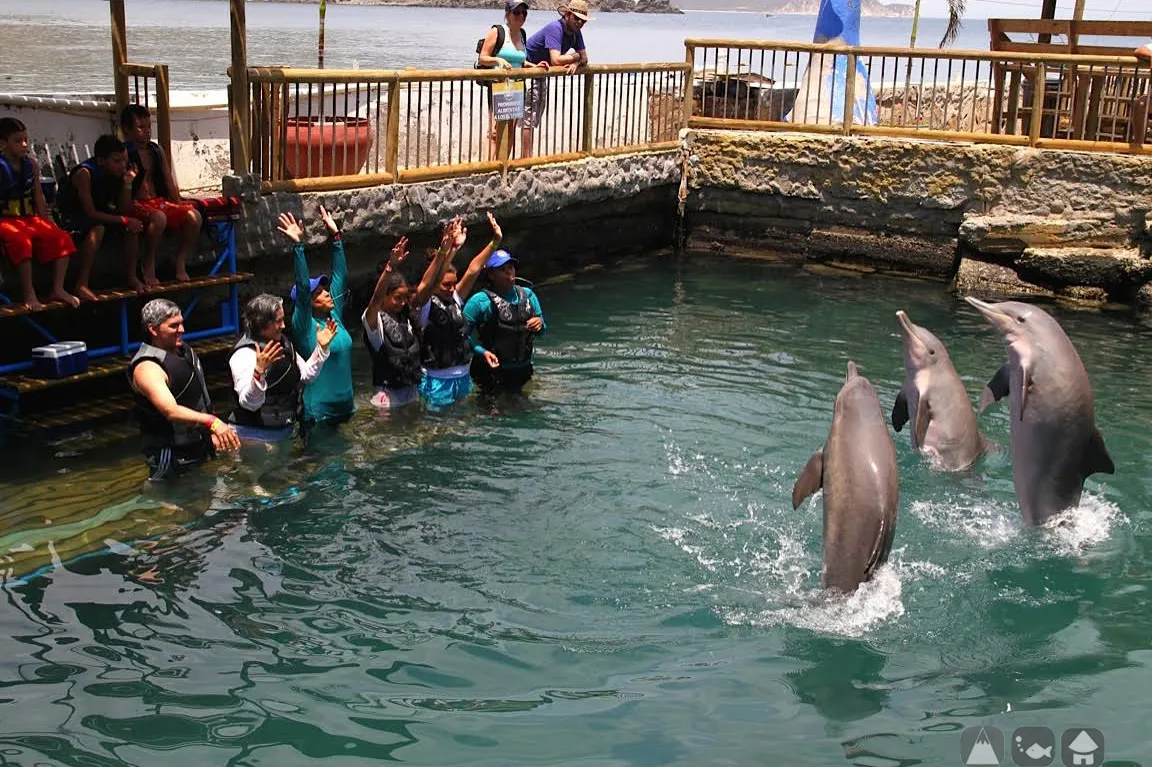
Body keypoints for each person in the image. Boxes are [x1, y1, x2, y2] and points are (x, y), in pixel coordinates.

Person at [129, 298, 241, 480]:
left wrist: (210, 434)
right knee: (170, 505)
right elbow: (170, 411)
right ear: (153, 329)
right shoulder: (147, 368)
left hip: (197, 443)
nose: (181, 330)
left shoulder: (182, 351)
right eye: (174, 326)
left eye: (181, 324)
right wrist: (213, 422)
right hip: (170, 453)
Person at [361, 219, 465, 410]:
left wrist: (446, 250)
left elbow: (428, 284)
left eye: (404, 298)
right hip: (387, 397)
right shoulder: (374, 322)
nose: (402, 303)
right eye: (397, 298)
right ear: (385, 296)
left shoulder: (408, 316)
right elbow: (376, 299)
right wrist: (389, 268)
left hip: (412, 392)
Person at [276, 206, 355, 429]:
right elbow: (302, 287)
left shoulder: (333, 316)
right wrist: (298, 246)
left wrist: (336, 235)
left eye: (324, 289)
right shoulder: (303, 325)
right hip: (319, 411)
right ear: (308, 302)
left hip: (346, 408)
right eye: (318, 292)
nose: (326, 292)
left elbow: (340, 274)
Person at [416, 212, 504, 408]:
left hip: (463, 378)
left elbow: (473, 269)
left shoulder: (454, 298)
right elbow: (427, 283)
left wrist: (495, 242)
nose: (452, 289)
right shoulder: (424, 303)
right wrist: (447, 250)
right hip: (436, 381)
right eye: (446, 285)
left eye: (454, 284)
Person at [228, 293, 338, 441]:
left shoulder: (283, 343)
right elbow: (249, 404)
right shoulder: (244, 354)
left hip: (285, 430)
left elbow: (305, 376)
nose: (284, 325)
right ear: (262, 324)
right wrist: (259, 373)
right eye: (278, 321)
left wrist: (321, 349)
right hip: (253, 435)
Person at [58, 134, 153, 299]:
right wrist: (123, 220)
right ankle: (82, 283)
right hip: (74, 217)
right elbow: (90, 212)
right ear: (101, 161)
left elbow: (124, 208)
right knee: (99, 229)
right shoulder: (84, 174)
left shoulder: (118, 173)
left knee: (133, 227)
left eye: (124, 160)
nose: (123, 165)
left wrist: (127, 183)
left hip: (102, 213)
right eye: (117, 161)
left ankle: (132, 276)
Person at [0, 117, 79, 311]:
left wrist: (48, 222)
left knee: (62, 238)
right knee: (22, 241)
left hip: (29, 218)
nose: (24, 145)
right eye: (18, 141)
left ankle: (58, 288)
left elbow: (39, 198)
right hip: (6, 220)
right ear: (2, 144)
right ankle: (29, 293)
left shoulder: (31, 166)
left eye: (25, 139)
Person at [120, 104, 203, 285]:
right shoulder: (124, 153)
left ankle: (179, 258)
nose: (147, 131)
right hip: (136, 203)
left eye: (149, 126)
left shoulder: (156, 150)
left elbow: (167, 179)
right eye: (141, 127)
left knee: (193, 215)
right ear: (127, 129)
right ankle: (148, 262)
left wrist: (178, 202)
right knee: (159, 218)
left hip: (157, 201)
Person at [463, 247, 546, 395]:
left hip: (523, 370)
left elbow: (543, 329)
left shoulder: (528, 295)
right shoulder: (478, 301)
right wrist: (482, 352)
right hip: (491, 372)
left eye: (511, 267)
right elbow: (461, 335)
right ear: (491, 275)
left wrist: (539, 324)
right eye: (502, 269)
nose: (509, 272)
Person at [477, 0, 549, 160]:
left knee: (510, 129)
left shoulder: (522, 34)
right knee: (496, 131)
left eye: (524, 13)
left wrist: (535, 65)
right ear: (507, 14)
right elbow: (483, 58)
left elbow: (520, 61)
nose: (521, 16)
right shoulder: (497, 31)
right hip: (498, 86)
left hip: (517, 87)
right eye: (517, 12)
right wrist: (497, 61)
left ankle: (503, 166)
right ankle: (491, 169)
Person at [522, 0, 591, 158]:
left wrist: (578, 62)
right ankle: (526, 159)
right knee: (529, 116)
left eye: (583, 20)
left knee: (534, 115)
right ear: (567, 15)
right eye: (576, 18)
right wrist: (575, 56)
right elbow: (556, 60)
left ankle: (528, 157)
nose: (580, 22)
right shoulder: (555, 28)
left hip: (540, 72)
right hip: (527, 71)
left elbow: (585, 57)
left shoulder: (575, 32)